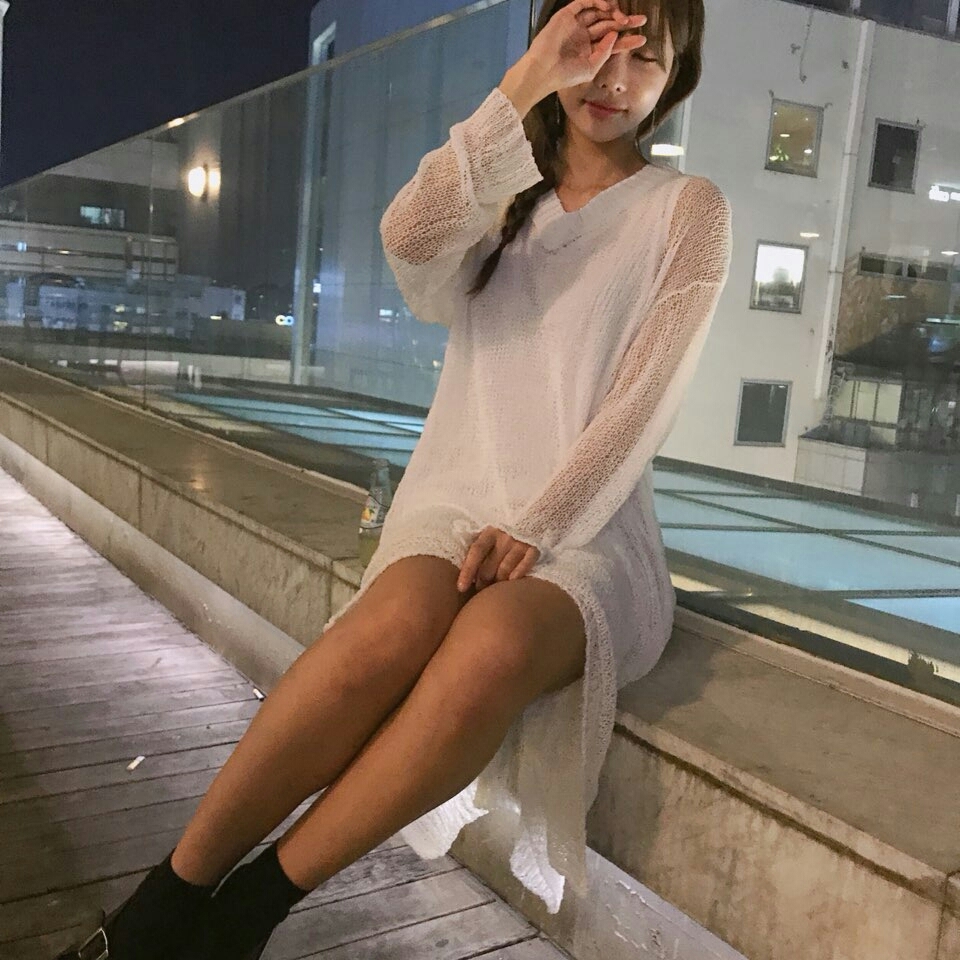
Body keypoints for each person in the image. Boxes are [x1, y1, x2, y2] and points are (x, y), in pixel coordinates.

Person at [56, 0, 730, 957]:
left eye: (645, 57)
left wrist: (539, 525)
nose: (612, 80)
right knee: (389, 629)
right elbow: (409, 239)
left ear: (678, 73)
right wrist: (525, 83)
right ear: (553, 43)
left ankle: (247, 914)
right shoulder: (502, 193)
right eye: (591, 48)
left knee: (492, 644)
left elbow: (639, 405)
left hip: (591, 533)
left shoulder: (688, 210)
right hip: (460, 498)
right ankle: (164, 904)